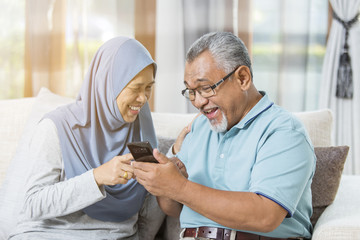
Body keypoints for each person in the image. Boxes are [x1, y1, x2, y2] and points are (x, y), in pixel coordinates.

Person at [133, 32, 316, 240]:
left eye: (205, 88)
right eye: (191, 91)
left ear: (242, 78)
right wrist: (165, 183)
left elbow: (265, 216)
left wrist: (180, 187)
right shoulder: (200, 127)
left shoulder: (283, 131)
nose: (198, 102)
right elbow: (175, 209)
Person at [9, 37, 164, 239]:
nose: (143, 98)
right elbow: (32, 203)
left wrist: (174, 158)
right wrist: (97, 176)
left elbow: (145, 214)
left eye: (148, 88)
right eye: (135, 88)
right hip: (51, 234)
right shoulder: (59, 127)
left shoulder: (141, 132)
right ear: (107, 85)